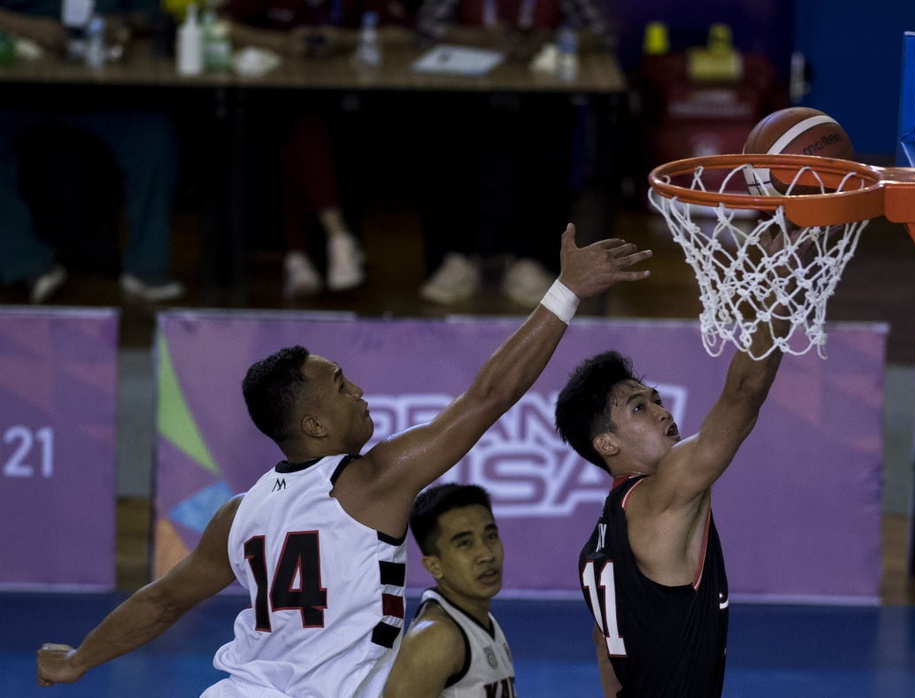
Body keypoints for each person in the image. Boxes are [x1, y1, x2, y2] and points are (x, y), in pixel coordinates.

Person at [35, 223, 651, 695]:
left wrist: (78, 661)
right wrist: (566, 291)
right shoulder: (372, 482)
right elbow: (490, 396)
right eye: (340, 385)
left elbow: (161, 601)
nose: (357, 390)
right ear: (313, 424)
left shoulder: (236, 514)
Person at [554, 261, 791, 696]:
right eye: (639, 408)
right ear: (606, 444)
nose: (662, 411)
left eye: (656, 399)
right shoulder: (661, 495)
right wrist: (780, 279)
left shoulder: (597, 545)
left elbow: (603, 643)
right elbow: (742, 398)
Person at [415, 0, 614, 308]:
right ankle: (455, 257)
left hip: (541, 87)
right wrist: (482, 38)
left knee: (548, 137)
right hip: (464, 86)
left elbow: (601, 32)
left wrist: (546, 38)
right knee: (447, 140)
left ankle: (531, 258)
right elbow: (426, 29)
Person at [221, 0, 415, 297]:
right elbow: (222, 24)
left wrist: (345, 40)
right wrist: (281, 42)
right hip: (271, 96)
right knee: (298, 126)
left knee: (303, 134)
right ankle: (336, 236)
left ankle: (299, 256)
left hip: (350, 98)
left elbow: (405, 33)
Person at [0, 0, 185, 303]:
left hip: (100, 90)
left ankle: (146, 267)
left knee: (154, 133)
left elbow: (150, 15)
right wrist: (26, 26)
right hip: (18, 89)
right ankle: (27, 263)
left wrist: (122, 23)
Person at [384, 483, 515, 697]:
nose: (486, 554)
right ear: (434, 565)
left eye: (490, 536)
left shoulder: (481, 618)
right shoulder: (436, 638)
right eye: (465, 543)